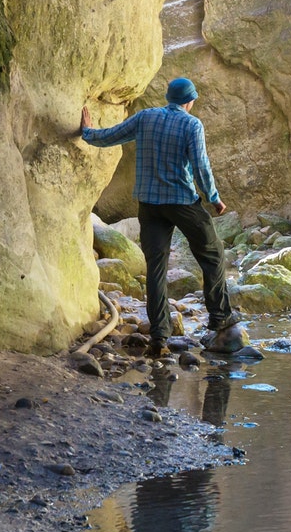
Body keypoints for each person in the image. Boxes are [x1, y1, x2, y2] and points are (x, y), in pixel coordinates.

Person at [78, 76, 239, 354]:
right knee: (212, 254)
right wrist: (214, 199)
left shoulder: (146, 118)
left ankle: (159, 337)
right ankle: (219, 318)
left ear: (169, 98)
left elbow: (112, 136)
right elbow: (201, 166)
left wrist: (87, 132)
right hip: (183, 203)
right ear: (189, 101)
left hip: (150, 206)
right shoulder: (192, 124)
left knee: (155, 269)